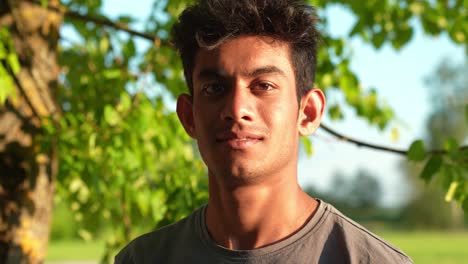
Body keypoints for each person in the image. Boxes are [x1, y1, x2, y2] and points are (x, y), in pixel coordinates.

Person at [115, 0, 413, 263]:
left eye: (264, 86)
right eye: (214, 88)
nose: (236, 108)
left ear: (308, 113)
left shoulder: (368, 260)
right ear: (188, 116)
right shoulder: (143, 258)